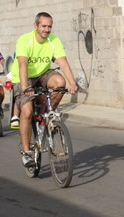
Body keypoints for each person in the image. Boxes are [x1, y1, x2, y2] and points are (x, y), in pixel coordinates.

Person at [11, 12, 78, 167]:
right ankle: (26, 152)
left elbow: (63, 63)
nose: (47, 29)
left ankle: (44, 115)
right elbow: (22, 65)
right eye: (43, 26)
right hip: (23, 77)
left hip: (43, 74)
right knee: (27, 110)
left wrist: (72, 83)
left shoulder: (54, 41)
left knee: (59, 82)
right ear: (36, 26)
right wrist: (25, 87)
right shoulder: (25, 40)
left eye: (49, 26)